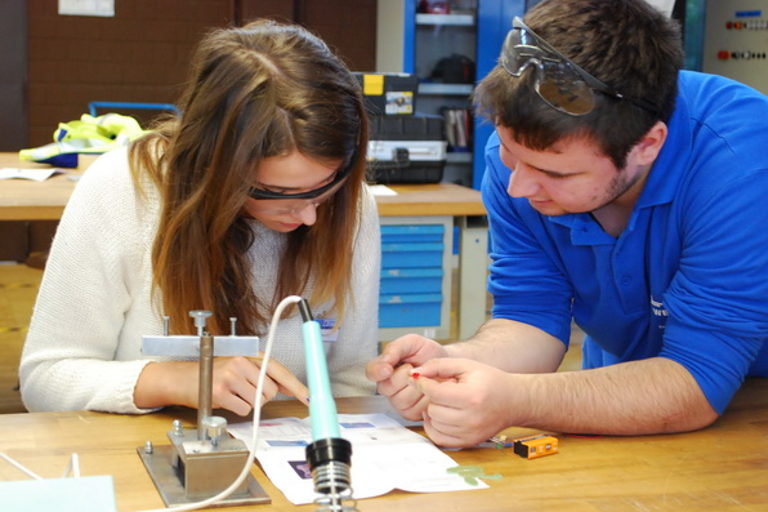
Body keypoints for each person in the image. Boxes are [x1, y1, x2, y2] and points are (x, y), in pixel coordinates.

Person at [367, 0, 768, 448]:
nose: (518, 187)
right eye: (508, 153)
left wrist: (516, 399)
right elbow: (531, 315)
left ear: (647, 145)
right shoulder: (524, 159)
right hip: (630, 394)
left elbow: (697, 380)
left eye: (556, 174)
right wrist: (457, 362)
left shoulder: (741, 164)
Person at [20, 19, 380, 415]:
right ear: (213, 166)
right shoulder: (124, 189)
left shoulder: (351, 203)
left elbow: (352, 379)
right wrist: (172, 380)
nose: (310, 216)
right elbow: (45, 379)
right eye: (279, 194)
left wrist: (399, 389)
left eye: (326, 185)